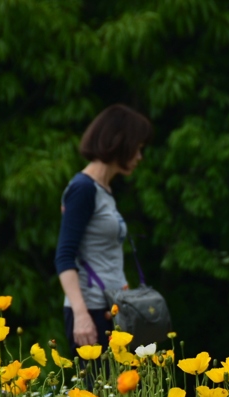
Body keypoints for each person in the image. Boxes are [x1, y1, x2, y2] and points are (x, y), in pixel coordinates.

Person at [55, 104, 153, 357]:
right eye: (137, 147)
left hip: (112, 309)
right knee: (97, 394)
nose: (140, 156)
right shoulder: (83, 189)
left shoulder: (103, 190)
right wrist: (81, 315)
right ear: (120, 142)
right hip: (91, 314)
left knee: (122, 395)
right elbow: (64, 256)